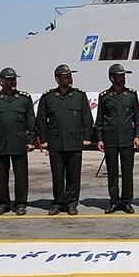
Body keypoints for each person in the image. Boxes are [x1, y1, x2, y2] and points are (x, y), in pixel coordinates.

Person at [36, 64, 93, 216]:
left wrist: (87, 137)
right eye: (66, 77)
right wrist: (44, 140)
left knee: (74, 176)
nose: (69, 79)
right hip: (55, 143)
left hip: (74, 142)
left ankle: (72, 203)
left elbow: (87, 119)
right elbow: (41, 120)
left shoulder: (79, 96)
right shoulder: (48, 97)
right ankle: (58, 203)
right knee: (57, 175)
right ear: (57, 79)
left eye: (70, 76)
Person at [0, 67, 36, 216]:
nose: (13, 82)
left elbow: (31, 121)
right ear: (1, 81)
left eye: (14, 79)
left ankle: (20, 204)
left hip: (19, 142)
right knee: (1, 176)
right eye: (9, 80)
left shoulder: (24, 99)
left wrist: (31, 140)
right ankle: (3, 204)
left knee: (21, 176)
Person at [96, 64, 139, 215]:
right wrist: (100, 139)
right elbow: (99, 121)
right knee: (112, 171)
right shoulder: (104, 97)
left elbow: (137, 118)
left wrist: (137, 136)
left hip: (128, 139)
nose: (123, 78)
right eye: (120, 76)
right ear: (112, 78)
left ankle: (126, 201)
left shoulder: (131, 95)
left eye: (124, 76)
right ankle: (114, 201)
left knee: (127, 172)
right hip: (110, 140)